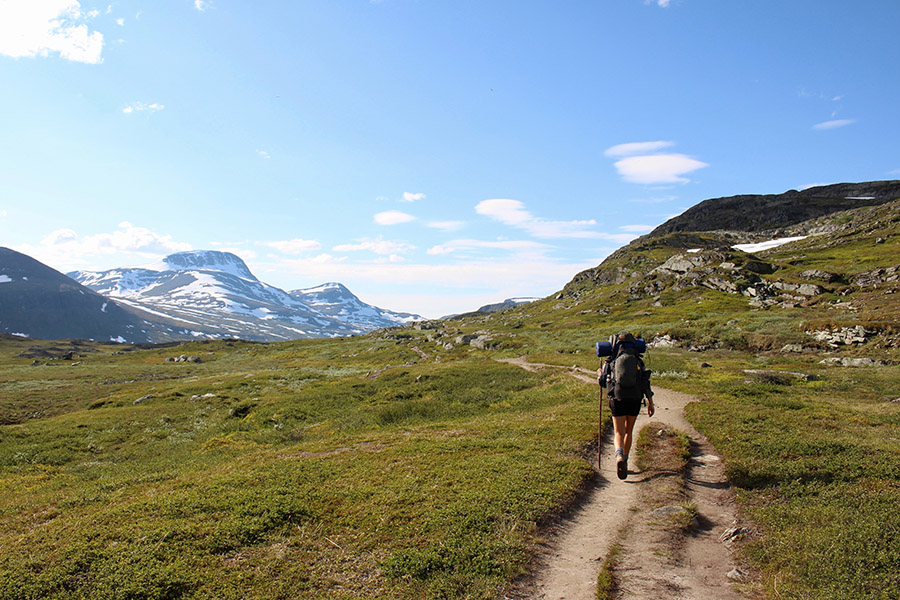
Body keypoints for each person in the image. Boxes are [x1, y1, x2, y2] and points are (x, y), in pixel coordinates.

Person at [598, 332, 654, 480]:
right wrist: (650, 402)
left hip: (618, 397)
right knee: (629, 431)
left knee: (618, 432)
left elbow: (603, 382)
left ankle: (618, 457)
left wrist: (599, 374)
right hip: (635, 398)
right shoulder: (637, 360)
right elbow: (645, 382)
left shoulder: (611, 361)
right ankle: (626, 459)